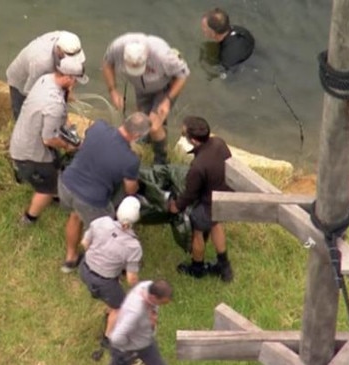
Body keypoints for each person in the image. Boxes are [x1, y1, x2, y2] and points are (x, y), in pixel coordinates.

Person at [58, 112, 151, 273]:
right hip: (91, 200)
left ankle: (70, 258)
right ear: (136, 135)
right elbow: (130, 189)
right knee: (108, 233)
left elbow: (89, 144)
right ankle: (105, 267)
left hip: (66, 184)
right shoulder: (130, 160)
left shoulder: (99, 126)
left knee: (75, 215)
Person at [9, 57, 89, 224]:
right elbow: (49, 140)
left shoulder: (46, 79)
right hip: (30, 153)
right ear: (67, 77)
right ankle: (29, 218)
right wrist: (69, 146)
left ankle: (51, 193)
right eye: (75, 80)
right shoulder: (54, 105)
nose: (75, 84)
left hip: (23, 136)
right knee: (47, 188)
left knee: (55, 168)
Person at [102, 33, 190, 165]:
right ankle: (148, 139)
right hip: (140, 88)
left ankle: (161, 159)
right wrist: (113, 90)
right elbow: (107, 64)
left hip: (163, 88)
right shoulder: (117, 47)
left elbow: (183, 75)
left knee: (155, 126)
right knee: (143, 118)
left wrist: (167, 100)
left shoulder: (164, 57)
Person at [168, 116, 234, 282]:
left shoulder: (197, 167)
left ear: (194, 141)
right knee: (215, 223)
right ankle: (224, 266)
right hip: (226, 197)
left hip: (209, 203)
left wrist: (176, 206)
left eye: (185, 134)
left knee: (198, 230)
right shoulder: (219, 142)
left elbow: (190, 195)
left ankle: (197, 268)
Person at [79, 196, 143, 344]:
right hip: (104, 281)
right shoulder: (133, 246)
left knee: (111, 295)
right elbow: (131, 278)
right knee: (120, 308)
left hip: (84, 269)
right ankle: (108, 338)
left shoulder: (101, 222)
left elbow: (84, 243)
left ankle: (108, 303)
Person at [6, 30, 86, 121]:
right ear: (59, 51)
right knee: (25, 118)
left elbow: (75, 72)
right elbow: (31, 94)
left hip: (46, 70)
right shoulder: (40, 62)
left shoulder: (67, 40)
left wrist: (69, 89)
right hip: (21, 82)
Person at [108, 279, 173, 365]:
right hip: (126, 351)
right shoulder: (136, 312)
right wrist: (130, 346)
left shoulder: (147, 285)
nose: (161, 305)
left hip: (146, 342)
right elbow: (117, 337)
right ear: (153, 297)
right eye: (161, 303)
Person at [201, 8, 255, 73]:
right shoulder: (240, 30)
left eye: (204, 28)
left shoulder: (227, 58)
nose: (202, 29)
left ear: (212, 33)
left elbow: (230, 77)